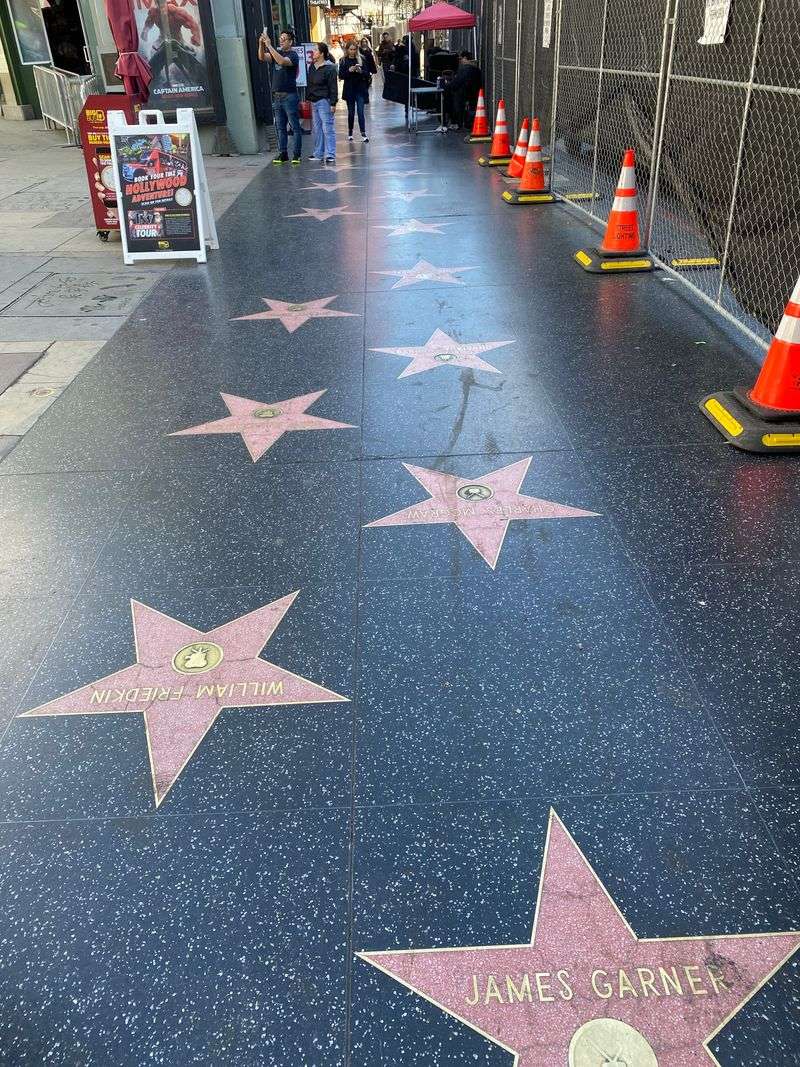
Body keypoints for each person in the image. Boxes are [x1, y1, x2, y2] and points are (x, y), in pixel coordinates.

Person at [258, 28, 302, 165]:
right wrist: (261, 44)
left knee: (294, 127)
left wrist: (269, 45)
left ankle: (296, 155)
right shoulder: (276, 52)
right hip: (277, 96)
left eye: (284, 39)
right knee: (280, 128)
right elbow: (261, 57)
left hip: (289, 96)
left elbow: (282, 62)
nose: (281, 41)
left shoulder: (293, 55)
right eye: (280, 39)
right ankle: (283, 153)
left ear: (290, 42)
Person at [306, 43, 338, 163]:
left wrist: (333, 103)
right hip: (313, 101)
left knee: (327, 128)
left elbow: (333, 87)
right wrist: (308, 98)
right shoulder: (312, 67)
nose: (313, 52)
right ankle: (318, 153)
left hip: (324, 101)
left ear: (322, 53)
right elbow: (310, 84)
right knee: (317, 128)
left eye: (315, 50)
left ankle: (330, 154)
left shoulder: (330, 68)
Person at [339, 41, 370, 142]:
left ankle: (363, 132)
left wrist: (360, 71)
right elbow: (341, 75)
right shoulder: (343, 60)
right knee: (351, 112)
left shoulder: (361, 59)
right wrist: (349, 70)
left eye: (354, 49)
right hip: (349, 90)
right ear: (347, 50)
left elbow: (367, 73)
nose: (352, 51)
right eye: (351, 49)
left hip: (360, 89)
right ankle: (350, 132)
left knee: (360, 112)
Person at [443, 50, 483, 129]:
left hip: (464, 94)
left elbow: (456, 83)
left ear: (465, 58)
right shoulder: (476, 70)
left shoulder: (465, 69)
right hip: (474, 94)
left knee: (448, 94)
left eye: (461, 59)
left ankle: (454, 122)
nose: (460, 61)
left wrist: (448, 85)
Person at [358, 36, 377, 105]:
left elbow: (371, 60)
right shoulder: (359, 50)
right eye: (363, 42)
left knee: (367, 83)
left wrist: (373, 70)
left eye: (365, 42)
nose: (364, 43)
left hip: (368, 69)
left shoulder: (369, 50)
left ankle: (366, 97)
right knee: (362, 84)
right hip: (361, 68)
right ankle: (364, 98)